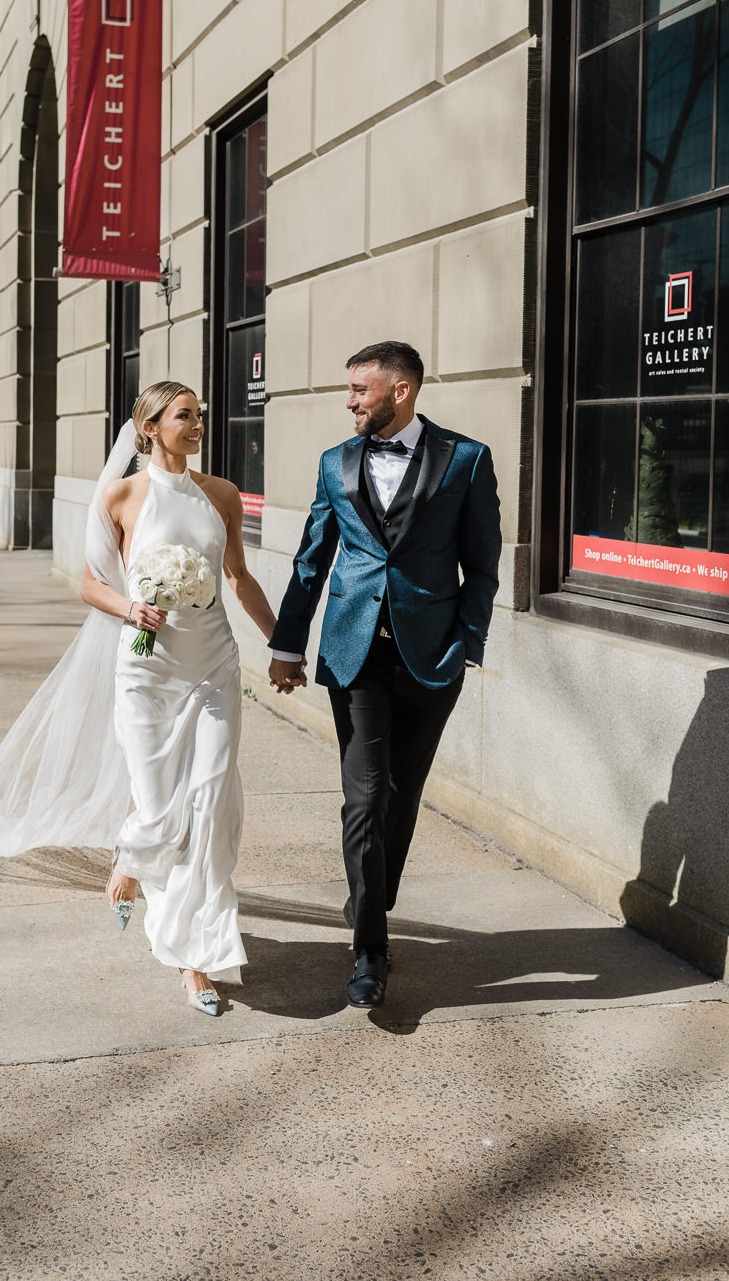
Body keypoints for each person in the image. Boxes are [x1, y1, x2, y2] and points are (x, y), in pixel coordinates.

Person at [0, 380, 280, 1019]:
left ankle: (195, 962)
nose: (198, 425)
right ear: (151, 427)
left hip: (214, 664)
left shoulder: (219, 495)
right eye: (186, 417)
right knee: (160, 807)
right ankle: (132, 860)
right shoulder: (119, 496)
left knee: (211, 802)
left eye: (200, 415)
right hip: (145, 666)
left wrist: (286, 649)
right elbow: (88, 583)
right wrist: (131, 606)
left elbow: (238, 579)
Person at [268, 341, 501, 1009]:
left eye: (359, 390)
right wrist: (288, 644)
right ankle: (370, 949)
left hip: (432, 655)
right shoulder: (335, 464)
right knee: (366, 797)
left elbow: (482, 564)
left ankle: (373, 893)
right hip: (353, 654)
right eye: (349, 389)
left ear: (401, 391)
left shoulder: (466, 459)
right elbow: (311, 561)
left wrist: (469, 644)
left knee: (402, 794)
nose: (349, 401)